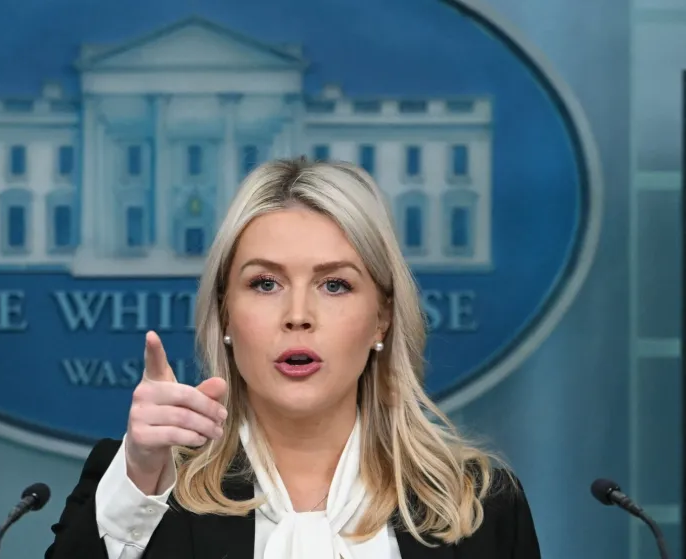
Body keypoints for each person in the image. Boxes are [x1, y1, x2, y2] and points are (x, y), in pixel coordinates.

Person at [44, 158, 540, 559]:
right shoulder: (143, 485)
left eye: (335, 285)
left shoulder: (479, 503)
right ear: (225, 313)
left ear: (382, 319)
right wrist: (140, 478)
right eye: (265, 284)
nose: (298, 315)